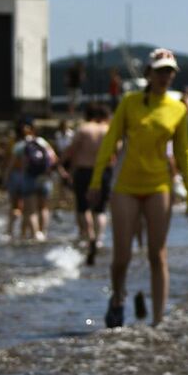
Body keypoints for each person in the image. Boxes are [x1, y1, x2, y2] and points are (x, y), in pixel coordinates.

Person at [88, 49, 188, 327]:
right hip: (125, 185)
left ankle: (159, 321)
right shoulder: (130, 102)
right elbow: (110, 141)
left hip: (159, 185)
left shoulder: (178, 108)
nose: (165, 76)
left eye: (170, 71)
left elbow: (185, 152)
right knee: (122, 255)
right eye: (160, 70)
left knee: (157, 254)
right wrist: (95, 180)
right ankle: (117, 298)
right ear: (149, 73)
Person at [65, 103, 112, 265]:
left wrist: (64, 166)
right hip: (104, 171)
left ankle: (88, 235)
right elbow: (117, 150)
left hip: (83, 170)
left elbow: (72, 150)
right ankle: (99, 239)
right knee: (100, 209)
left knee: (82, 206)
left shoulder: (83, 129)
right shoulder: (107, 130)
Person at [3, 117, 57, 241]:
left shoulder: (18, 144)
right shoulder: (42, 142)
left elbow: (10, 164)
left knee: (28, 210)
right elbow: (54, 158)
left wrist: (5, 179)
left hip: (27, 178)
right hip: (44, 178)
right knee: (43, 207)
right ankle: (43, 233)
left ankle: (33, 235)